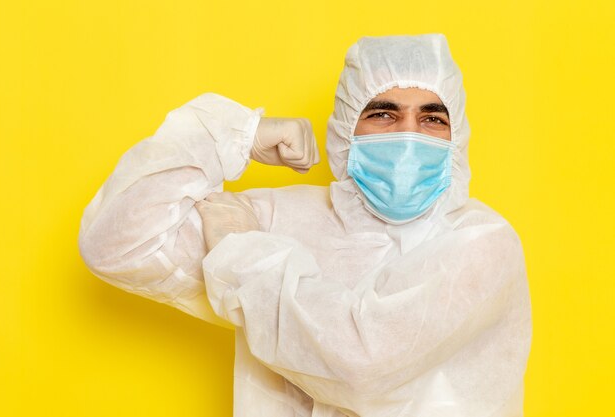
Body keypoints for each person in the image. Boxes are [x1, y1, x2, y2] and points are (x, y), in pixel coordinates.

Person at [78, 34, 532, 417]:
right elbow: (117, 246)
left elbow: (360, 366)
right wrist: (236, 139)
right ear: (345, 131)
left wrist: (243, 253)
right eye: (383, 113)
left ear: (458, 136)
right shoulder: (282, 219)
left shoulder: (482, 242)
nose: (407, 136)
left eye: (432, 118)